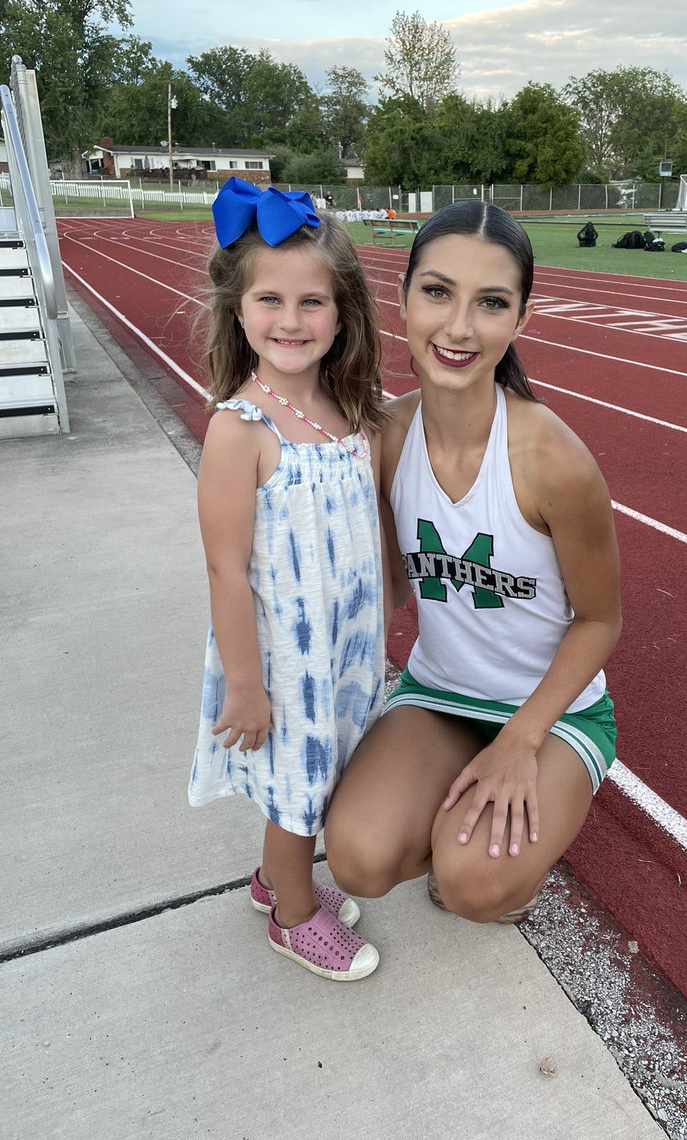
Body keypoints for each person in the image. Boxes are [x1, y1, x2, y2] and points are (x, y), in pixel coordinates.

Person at [325, 200, 621, 924]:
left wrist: (521, 741)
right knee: (358, 860)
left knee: (473, 889)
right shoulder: (386, 437)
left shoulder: (552, 459)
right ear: (402, 298)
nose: (458, 328)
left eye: (490, 303)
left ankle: (503, 842)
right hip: (443, 694)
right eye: (437, 292)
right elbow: (390, 587)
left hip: (551, 715)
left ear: (520, 319)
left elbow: (600, 620)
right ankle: (453, 805)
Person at [188, 176, 386, 980]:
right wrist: (245, 684)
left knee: (328, 767)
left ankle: (277, 881)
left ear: (342, 315)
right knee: (297, 787)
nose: (292, 321)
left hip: (342, 643)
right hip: (281, 658)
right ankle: (294, 916)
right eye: (270, 300)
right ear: (239, 311)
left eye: (312, 302)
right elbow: (225, 569)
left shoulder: (346, 409)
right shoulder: (242, 429)